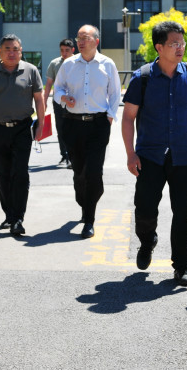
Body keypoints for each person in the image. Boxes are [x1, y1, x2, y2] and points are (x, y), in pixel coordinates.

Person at [121, 20, 187, 287]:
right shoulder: (143, 77)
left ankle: (181, 264)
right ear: (159, 47)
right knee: (145, 209)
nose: (180, 48)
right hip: (150, 156)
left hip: (185, 155)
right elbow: (128, 118)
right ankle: (147, 241)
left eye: (182, 43)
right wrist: (130, 153)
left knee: (184, 213)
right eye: (174, 43)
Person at [53, 25, 121, 239]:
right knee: (79, 172)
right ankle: (84, 200)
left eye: (85, 37)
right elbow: (58, 90)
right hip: (72, 124)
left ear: (96, 41)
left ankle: (89, 219)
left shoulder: (107, 64)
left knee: (94, 172)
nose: (80, 41)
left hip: (98, 125)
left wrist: (109, 117)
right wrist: (64, 98)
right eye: (78, 38)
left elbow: (115, 94)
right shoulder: (68, 64)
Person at [0, 34, 45, 236]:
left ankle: (18, 218)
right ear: (0, 51)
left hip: (23, 128)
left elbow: (39, 99)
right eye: (7, 49)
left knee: (20, 172)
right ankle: (9, 213)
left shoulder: (30, 70)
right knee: (2, 174)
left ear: (21, 51)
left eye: (15, 49)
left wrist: (41, 123)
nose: (12, 52)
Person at [43, 38, 76, 169]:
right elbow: (49, 84)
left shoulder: (78, 62)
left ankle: (73, 155)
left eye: (67, 50)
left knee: (73, 128)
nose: (64, 53)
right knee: (61, 128)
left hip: (74, 101)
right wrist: (44, 101)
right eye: (62, 50)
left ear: (72, 50)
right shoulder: (54, 63)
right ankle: (64, 155)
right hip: (59, 102)